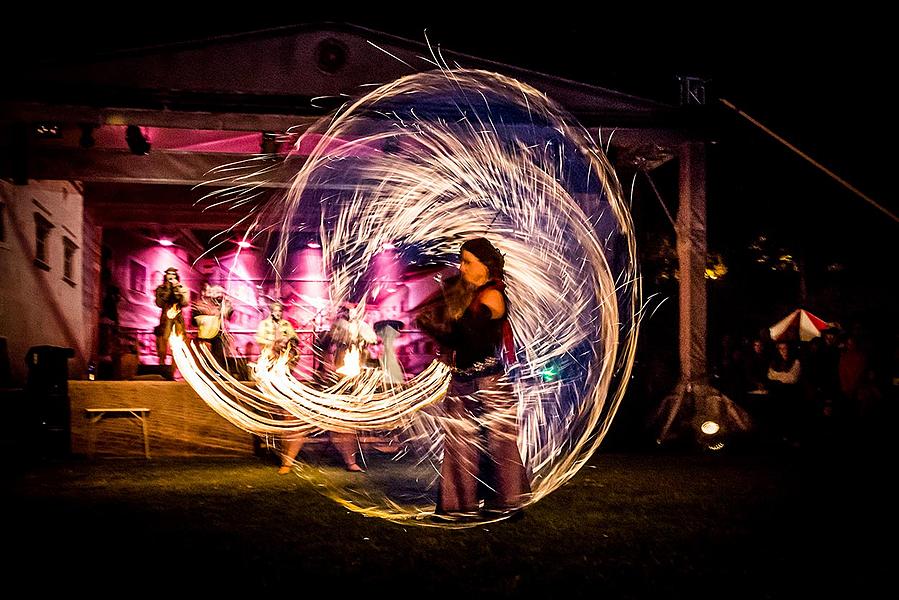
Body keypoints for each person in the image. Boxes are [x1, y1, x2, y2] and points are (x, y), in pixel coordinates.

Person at [416, 237, 530, 518]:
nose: (462, 267)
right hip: (463, 382)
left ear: (485, 266)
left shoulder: (493, 295)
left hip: (489, 384)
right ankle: (458, 507)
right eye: (461, 261)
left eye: (468, 262)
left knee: (499, 444)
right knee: (459, 445)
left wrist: (438, 326)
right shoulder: (467, 294)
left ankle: (507, 503)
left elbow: (470, 337)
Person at [191, 283, 233, 369]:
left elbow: (229, 314)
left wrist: (226, 307)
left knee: (218, 357)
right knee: (205, 357)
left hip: (218, 335)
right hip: (205, 335)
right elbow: (194, 320)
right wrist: (204, 318)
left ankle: (217, 373)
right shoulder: (201, 305)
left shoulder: (222, 306)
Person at [153, 267, 189, 366]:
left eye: (173, 274)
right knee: (162, 343)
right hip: (165, 318)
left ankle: (174, 368)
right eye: (169, 274)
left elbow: (184, 303)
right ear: (166, 276)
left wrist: (178, 290)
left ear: (176, 276)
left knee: (177, 344)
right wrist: (168, 289)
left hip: (177, 319)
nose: (171, 276)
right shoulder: (161, 289)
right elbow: (159, 303)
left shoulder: (181, 287)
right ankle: (162, 366)